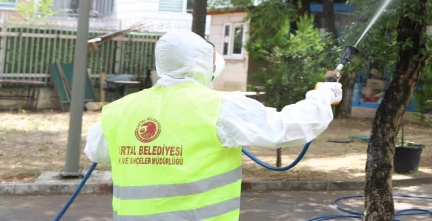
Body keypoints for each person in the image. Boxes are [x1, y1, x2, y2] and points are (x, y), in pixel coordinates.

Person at [84, 31, 342, 220]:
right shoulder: (219, 106)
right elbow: (286, 128)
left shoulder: (119, 110)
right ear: (203, 63)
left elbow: (97, 153)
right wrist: (323, 96)